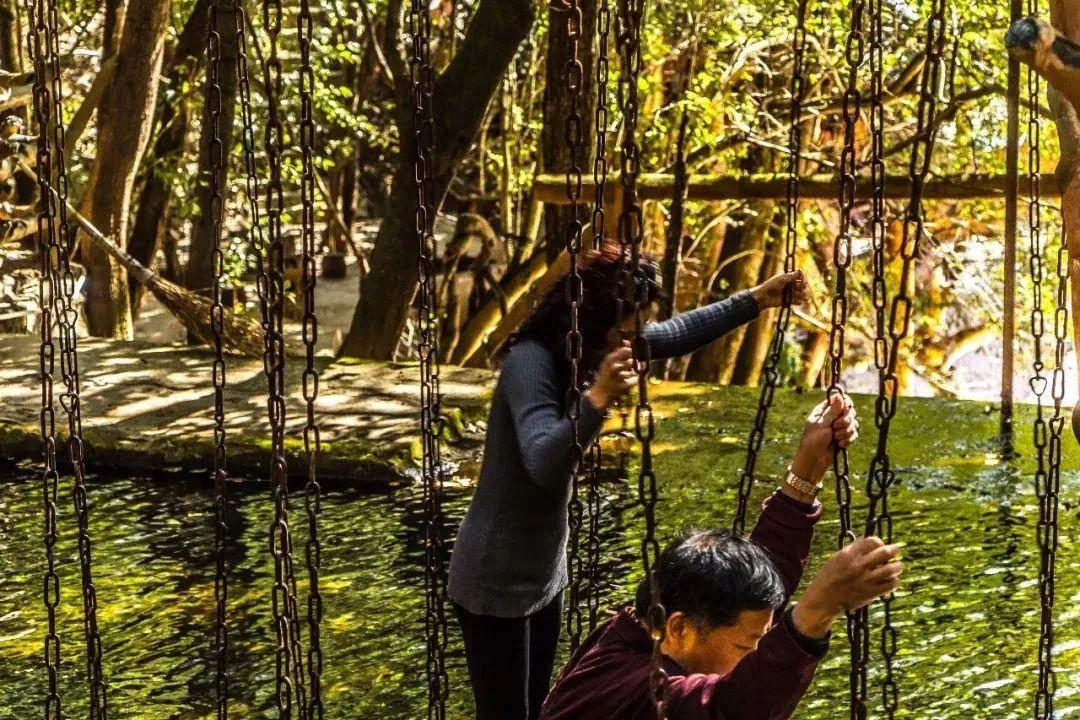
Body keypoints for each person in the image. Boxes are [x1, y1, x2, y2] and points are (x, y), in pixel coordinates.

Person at [447, 243, 811, 720]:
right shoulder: (530, 361)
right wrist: (597, 400)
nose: (633, 341)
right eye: (625, 331)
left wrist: (757, 300)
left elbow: (675, 334)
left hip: (543, 572)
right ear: (593, 319)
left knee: (539, 708)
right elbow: (541, 461)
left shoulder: (598, 343)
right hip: (493, 577)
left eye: (635, 330)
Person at [539, 393, 902, 720]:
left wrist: (806, 473)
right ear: (679, 628)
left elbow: (762, 578)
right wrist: (817, 611)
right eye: (747, 644)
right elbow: (728, 709)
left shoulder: (642, 631)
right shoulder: (640, 691)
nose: (756, 655)